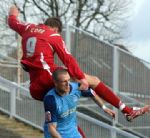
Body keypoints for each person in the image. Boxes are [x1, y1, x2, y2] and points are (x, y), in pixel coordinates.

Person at [8, 5, 150, 122]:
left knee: (65, 119)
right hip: (51, 80)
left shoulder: (27, 28)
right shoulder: (53, 35)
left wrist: (13, 12)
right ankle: (127, 110)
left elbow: (12, 21)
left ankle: (111, 109)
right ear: (56, 29)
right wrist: (81, 78)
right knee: (91, 81)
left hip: (35, 88)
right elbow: (68, 58)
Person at [43, 68, 115, 138]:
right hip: (56, 134)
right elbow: (51, 129)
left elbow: (91, 93)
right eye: (64, 81)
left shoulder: (77, 88)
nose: (68, 84)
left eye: (69, 80)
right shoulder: (50, 100)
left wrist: (104, 107)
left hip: (73, 133)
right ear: (56, 83)